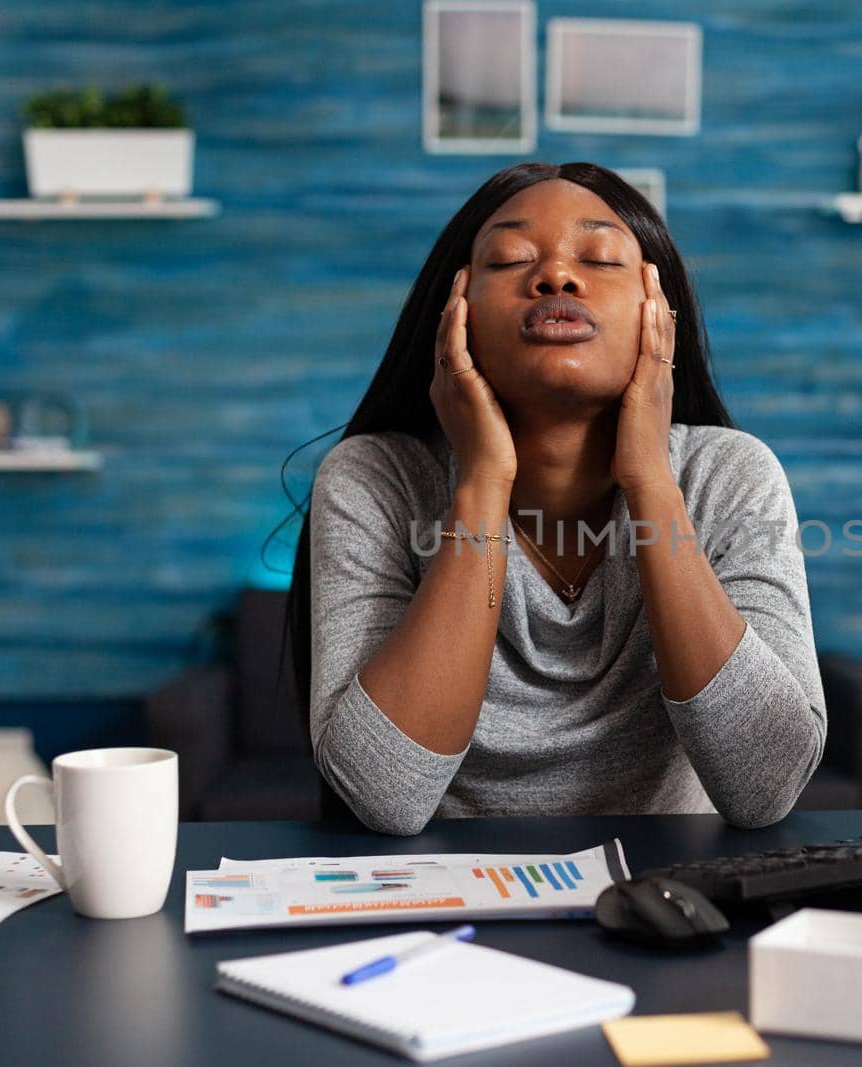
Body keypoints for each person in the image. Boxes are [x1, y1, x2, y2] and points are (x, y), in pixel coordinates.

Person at [284, 161, 826, 835]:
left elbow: (765, 784)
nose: (556, 277)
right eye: (511, 259)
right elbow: (385, 793)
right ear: (457, 316)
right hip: (443, 905)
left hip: (668, 897)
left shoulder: (731, 475)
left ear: (658, 316)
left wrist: (651, 479)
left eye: (599, 257)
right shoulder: (374, 479)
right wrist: (481, 482)